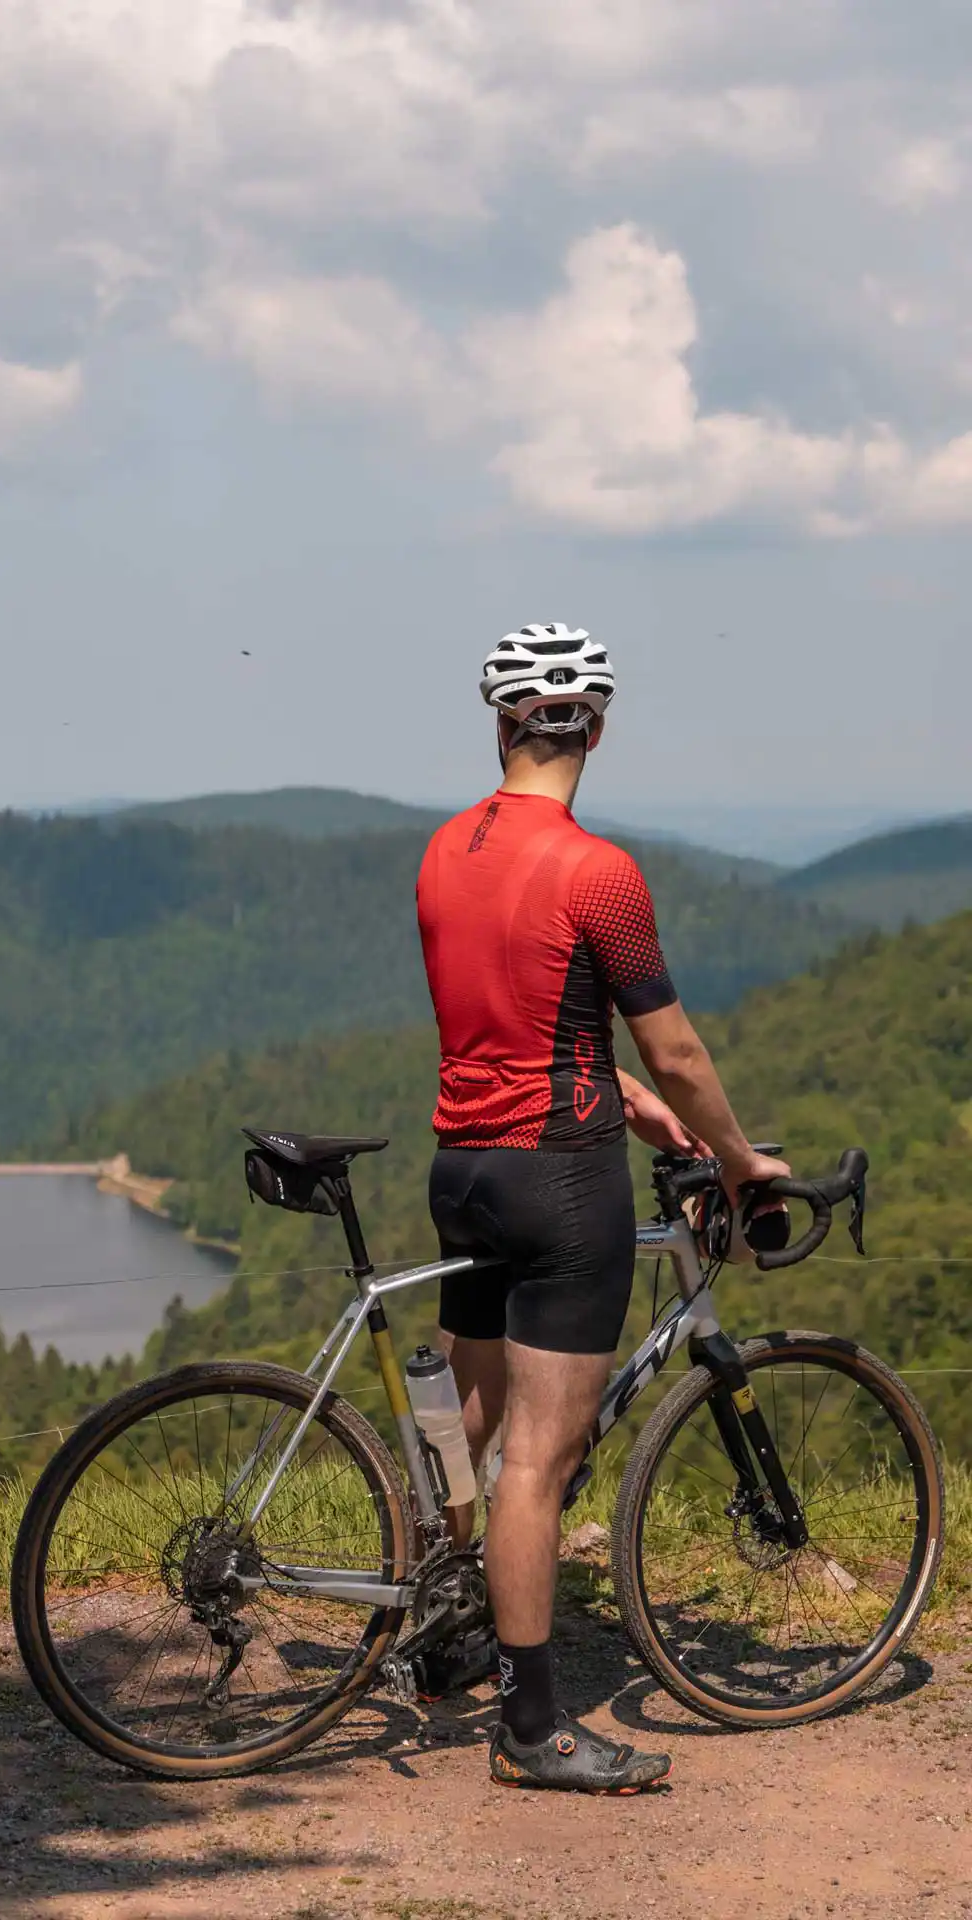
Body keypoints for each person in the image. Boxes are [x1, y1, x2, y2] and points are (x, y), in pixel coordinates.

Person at [415, 622, 790, 1794]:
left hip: (461, 1166)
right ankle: (532, 1729)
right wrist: (734, 1158)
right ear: (597, 726)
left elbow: (510, 1019)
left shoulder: (438, 853)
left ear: (499, 723)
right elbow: (672, 1046)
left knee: (466, 1430)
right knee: (539, 1455)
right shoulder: (597, 873)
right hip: (558, 1181)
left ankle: (442, 1636)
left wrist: (620, 1099)